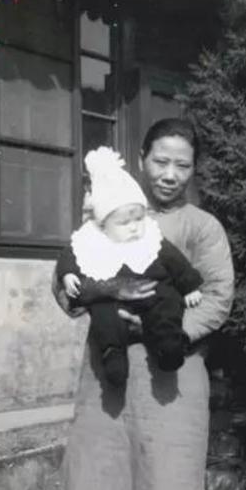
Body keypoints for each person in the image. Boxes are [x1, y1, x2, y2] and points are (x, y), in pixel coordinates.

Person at [52, 118, 234, 490]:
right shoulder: (108, 214)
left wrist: (163, 331)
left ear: (194, 169)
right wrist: (74, 289)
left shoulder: (202, 227)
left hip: (173, 378)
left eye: (182, 164)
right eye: (161, 161)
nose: (170, 174)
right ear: (142, 158)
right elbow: (71, 279)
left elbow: (218, 297)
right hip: (108, 380)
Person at [56, 146, 203, 387]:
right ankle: (112, 355)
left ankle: (168, 346)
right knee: (104, 313)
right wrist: (68, 273)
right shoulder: (92, 238)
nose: (134, 227)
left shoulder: (150, 238)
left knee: (168, 304)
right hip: (113, 298)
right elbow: (70, 253)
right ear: (104, 224)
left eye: (138, 218)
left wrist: (190, 286)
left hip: (153, 289)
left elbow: (176, 261)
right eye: (124, 223)